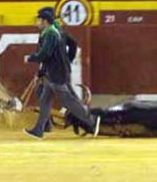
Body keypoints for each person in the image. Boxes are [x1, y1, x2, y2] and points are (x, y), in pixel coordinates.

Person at [24, 8, 100, 139]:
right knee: (44, 100)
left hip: (57, 73)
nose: (36, 22)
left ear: (45, 21)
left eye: (38, 19)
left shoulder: (51, 33)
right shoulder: (54, 31)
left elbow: (45, 54)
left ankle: (91, 120)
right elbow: (70, 46)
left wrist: (31, 58)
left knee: (68, 101)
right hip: (54, 72)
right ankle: (39, 129)